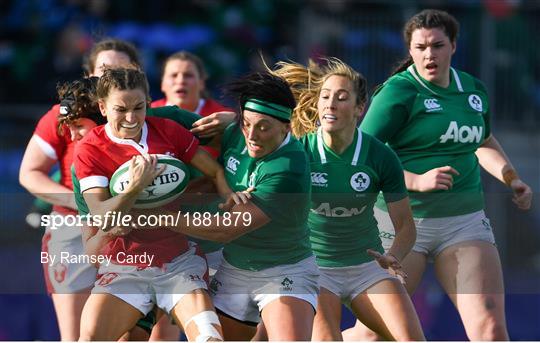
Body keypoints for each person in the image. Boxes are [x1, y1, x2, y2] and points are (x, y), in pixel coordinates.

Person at [350, 9, 532, 341]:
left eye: (437, 45)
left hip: (464, 223)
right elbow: (362, 157)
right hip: (402, 224)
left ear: (454, 46)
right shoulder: (397, 92)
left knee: (491, 330)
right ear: (410, 50)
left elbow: (483, 140)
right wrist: (416, 181)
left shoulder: (473, 91)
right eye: (420, 47)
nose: (429, 54)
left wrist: (511, 178)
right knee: (374, 335)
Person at [73, 67, 239, 341]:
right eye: (120, 109)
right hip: (124, 266)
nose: (131, 118)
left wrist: (229, 196)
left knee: (210, 338)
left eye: (138, 107)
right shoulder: (90, 149)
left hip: (178, 262)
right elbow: (102, 217)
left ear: (149, 102)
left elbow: (215, 171)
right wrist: (136, 187)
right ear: (102, 107)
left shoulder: (168, 129)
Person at [266, 57, 425, 340]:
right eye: (325, 96)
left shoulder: (380, 156)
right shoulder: (298, 153)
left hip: (368, 267)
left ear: (359, 109)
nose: (330, 103)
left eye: (341, 97)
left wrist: (394, 256)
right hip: (313, 268)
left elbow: (406, 227)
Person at [158, 71, 319, 341]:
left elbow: (225, 230)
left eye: (264, 127)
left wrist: (156, 217)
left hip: (284, 271)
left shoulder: (288, 167)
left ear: (286, 128)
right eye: (247, 124)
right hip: (234, 268)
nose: (252, 136)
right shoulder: (236, 132)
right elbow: (173, 118)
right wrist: (116, 112)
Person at [18, 38, 141, 341]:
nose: (111, 74)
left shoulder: (147, 116)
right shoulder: (65, 115)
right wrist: (88, 204)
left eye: (120, 69)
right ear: (89, 75)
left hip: (135, 233)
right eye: (104, 69)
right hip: (72, 231)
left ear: (136, 73)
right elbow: (29, 174)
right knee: (75, 336)